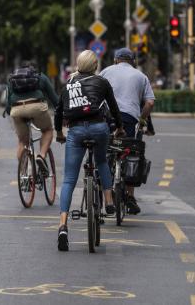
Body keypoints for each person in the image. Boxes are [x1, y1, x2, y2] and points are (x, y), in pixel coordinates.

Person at [54, 50, 124, 252]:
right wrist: (119, 128)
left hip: (75, 131)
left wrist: (59, 132)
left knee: (68, 180)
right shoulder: (101, 82)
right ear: (95, 66)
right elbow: (114, 108)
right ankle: (109, 201)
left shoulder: (68, 84)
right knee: (101, 161)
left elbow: (59, 111)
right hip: (99, 128)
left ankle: (63, 226)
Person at [100, 48, 155, 214]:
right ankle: (130, 196)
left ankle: (107, 195)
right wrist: (142, 119)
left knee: (105, 153)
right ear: (132, 61)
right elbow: (150, 103)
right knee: (133, 153)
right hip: (130, 119)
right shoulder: (140, 76)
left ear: (116, 59)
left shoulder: (105, 71)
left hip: (108, 118)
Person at [4, 60, 60, 164]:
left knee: (22, 141)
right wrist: (61, 111)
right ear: (35, 69)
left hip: (17, 109)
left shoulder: (12, 79)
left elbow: (7, 105)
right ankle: (41, 156)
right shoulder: (41, 77)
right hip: (37, 107)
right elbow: (55, 100)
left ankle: (22, 173)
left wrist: (11, 112)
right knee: (47, 131)